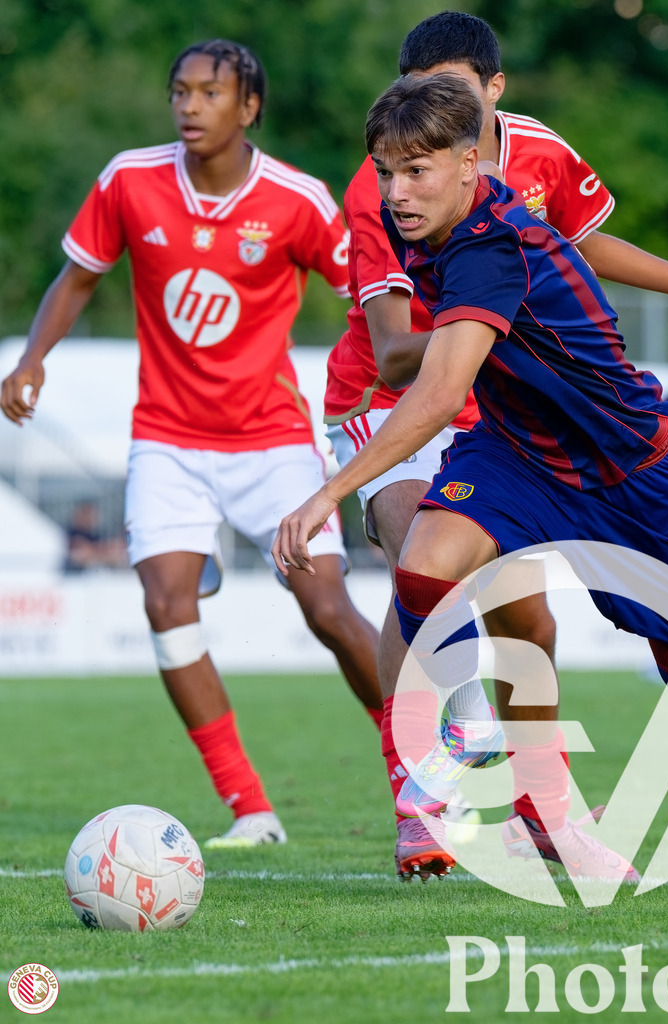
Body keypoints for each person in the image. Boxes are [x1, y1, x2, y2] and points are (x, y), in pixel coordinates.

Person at [275, 72, 668, 893]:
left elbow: (438, 392)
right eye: (385, 171)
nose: (395, 191)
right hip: (517, 450)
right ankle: (479, 754)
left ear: (470, 162)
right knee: (425, 558)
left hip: (622, 466)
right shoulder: (422, 220)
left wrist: (326, 494)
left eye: (415, 171)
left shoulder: (490, 245)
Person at [0, 39, 382, 849]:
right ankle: (249, 807)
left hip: (273, 442)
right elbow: (77, 277)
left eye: (210, 92)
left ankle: (420, 769)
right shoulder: (129, 180)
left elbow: (368, 297)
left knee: (326, 608)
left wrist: (375, 386)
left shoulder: (297, 200)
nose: (190, 105)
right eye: (180, 90)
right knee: (167, 607)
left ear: (250, 107)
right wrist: (33, 358)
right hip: (167, 440)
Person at [62, 500, 127, 574]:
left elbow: (114, 554)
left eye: (92, 515)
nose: (90, 518)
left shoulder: (96, 534)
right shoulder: (70, 535)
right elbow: (81, 552)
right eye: (87, 514)